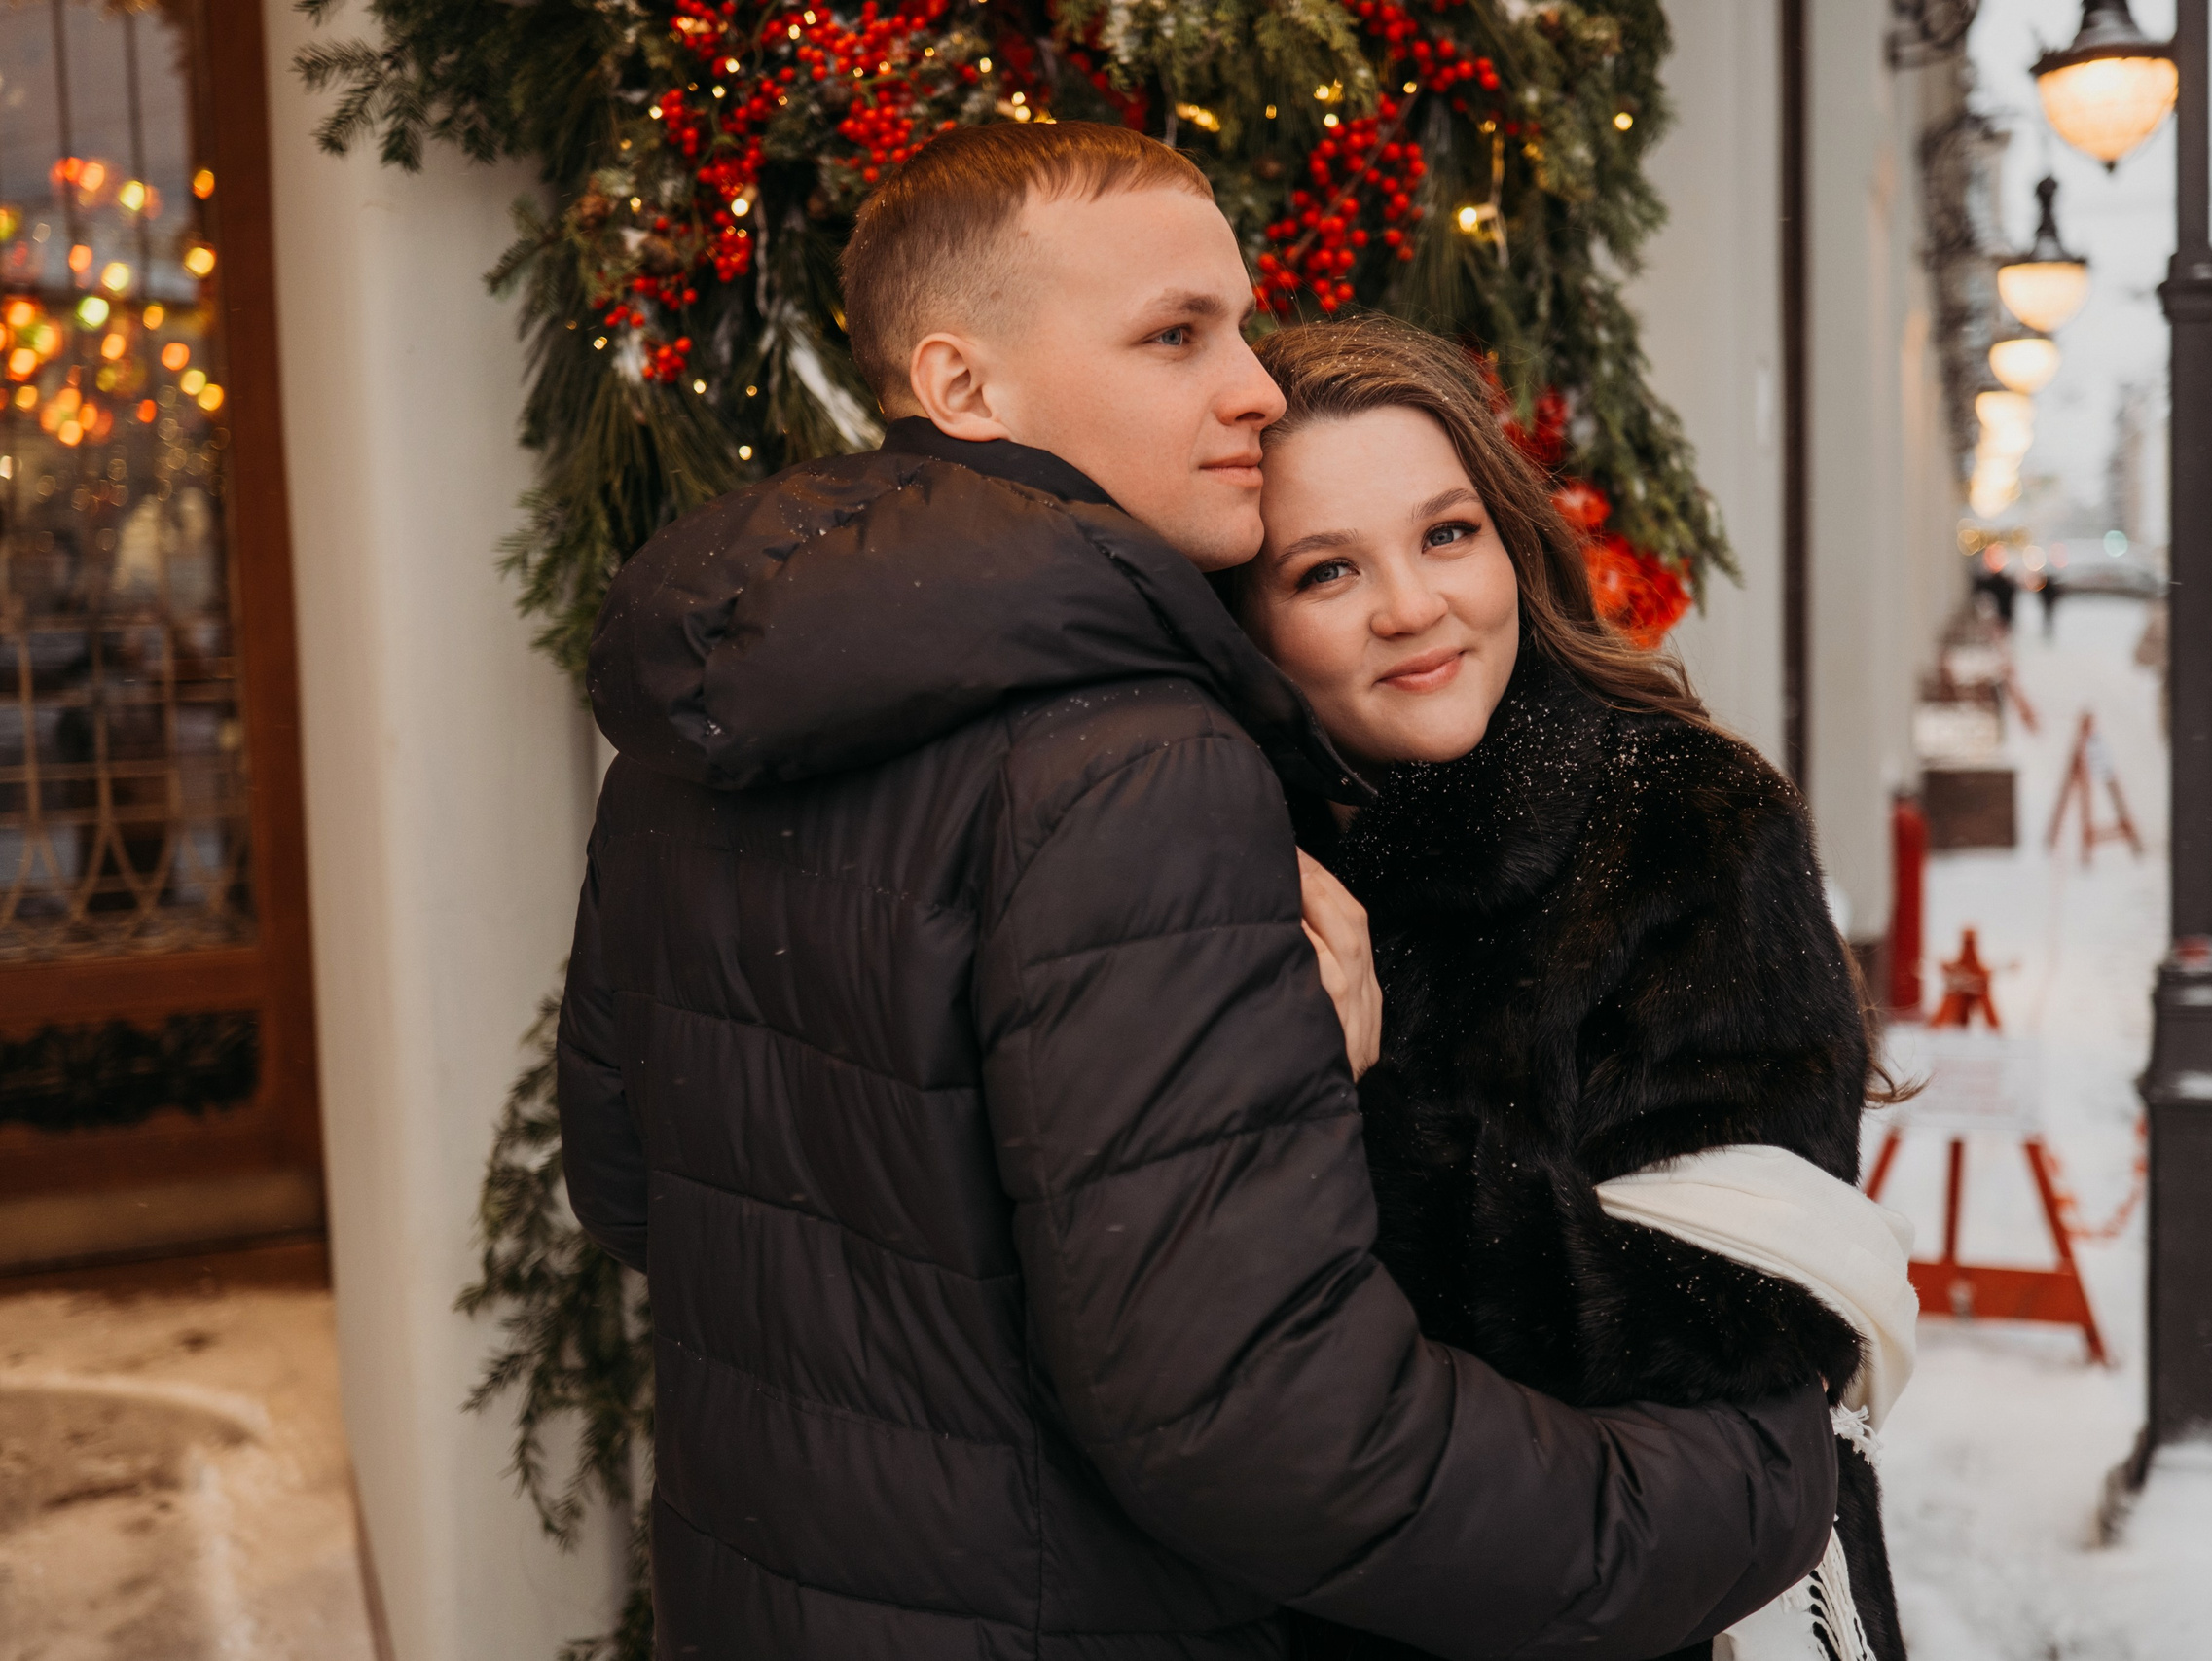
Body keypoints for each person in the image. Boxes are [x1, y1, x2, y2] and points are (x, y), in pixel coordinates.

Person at [558, 122, 1839, 1661]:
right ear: (963, 384)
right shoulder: (1140, 761)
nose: (1249, 383)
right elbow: (1247, 1420)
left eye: (1446, 533)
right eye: (1176, 336)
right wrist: (1731, 1501)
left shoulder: (690, 745)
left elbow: (639, 1184)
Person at [1222, 316, 1915, 1661]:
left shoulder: (1683, 825)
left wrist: (1363, 1112)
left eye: (1446, 534)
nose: (1412, 607)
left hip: (1654, 1610)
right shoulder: (1222, 860)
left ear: (1511, 539)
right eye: (1325, 570)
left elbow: (1747, 1318)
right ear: (1251, 623)